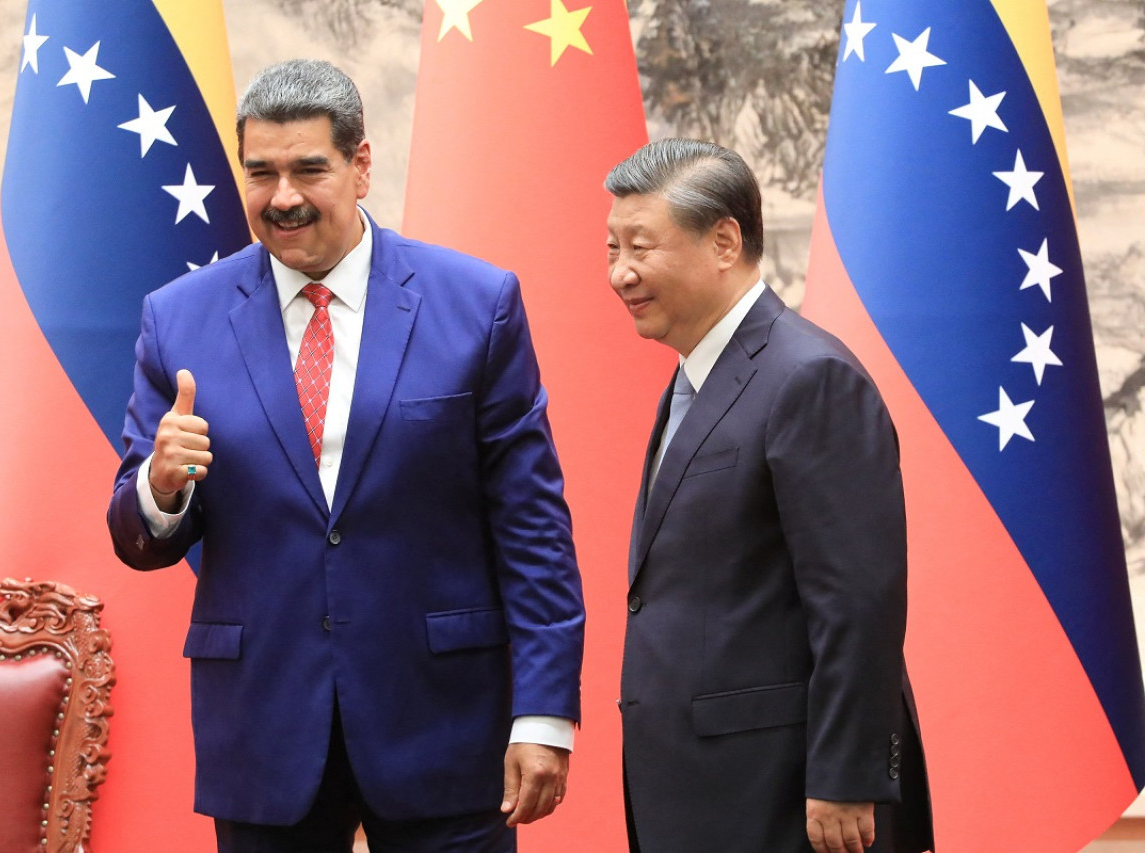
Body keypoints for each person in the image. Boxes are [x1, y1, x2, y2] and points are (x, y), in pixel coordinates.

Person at [107, 59, 584, 852]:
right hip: (264, 734)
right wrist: (160, 485)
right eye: (260, 173)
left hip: (443, 728)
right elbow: (136, 538)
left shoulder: (477, 304)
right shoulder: (178, 318)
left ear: (361, 166)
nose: (282, 196)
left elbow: (532, 528)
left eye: (308, 169)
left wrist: (542, 713)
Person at [605, 139, 934, 853]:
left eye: (639, 246)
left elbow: (856, 599)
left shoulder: (808, 377)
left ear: (724, 240)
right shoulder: (695, 379)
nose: (619, 272)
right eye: (611, 247)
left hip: (786, 797)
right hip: (701, 789)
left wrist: (847, 775)